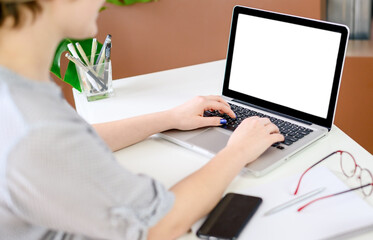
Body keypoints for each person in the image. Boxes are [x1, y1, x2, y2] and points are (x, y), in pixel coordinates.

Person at [0, 0, 284, 239]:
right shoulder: (35, 129)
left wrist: (169, 118)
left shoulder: (16, 91)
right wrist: (237, 152)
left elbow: (70, 143)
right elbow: (158, 225)